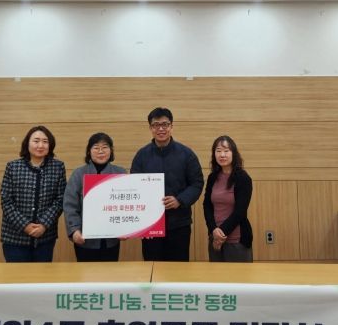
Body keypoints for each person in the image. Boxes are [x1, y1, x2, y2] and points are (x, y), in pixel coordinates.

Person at [131, 107, 204, 261]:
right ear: (150, 128)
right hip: (150, 225)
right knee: (152, 268)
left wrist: (180, 200)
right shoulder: (141, 155)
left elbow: (197, 183)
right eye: (156, 125)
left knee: (178, 270)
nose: (161, 129)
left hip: (179, 223)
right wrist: (142, 223)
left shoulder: (186, 154)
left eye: (165, 124)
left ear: (171, 126)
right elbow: (135, 187)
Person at [0, 125, 66, 262]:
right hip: (14, 237)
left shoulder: (58, 167)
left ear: (50, 145)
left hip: (45, 237)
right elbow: (6, 201)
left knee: (42, 275)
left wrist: (43, 225)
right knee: (16, 275)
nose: (40, 145)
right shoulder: (13, 167)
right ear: (27, 144)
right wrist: (25, 225)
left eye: (45, 141)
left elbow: (60, 200)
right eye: (36, 141)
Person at [63, 133, 127, 262]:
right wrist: (74, 230)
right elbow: (70, 206)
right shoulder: (78, 174)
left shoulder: (120, 173)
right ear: (89, 151)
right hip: (85, 240)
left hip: (111, 240)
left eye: (105, 147)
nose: (101, 151)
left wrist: (125, 229)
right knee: (86, 273)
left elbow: (126, 204)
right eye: (96, 148)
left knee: (110, 273)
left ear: (111, 150)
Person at [203, 135, 253, 262]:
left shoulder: (243, 178)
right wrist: (213, 230)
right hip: (214, 238)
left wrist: (221, 232)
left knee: (239, 275)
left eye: (226, 151)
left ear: (233, 153)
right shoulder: (212, 177)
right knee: (216, 274)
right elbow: (207, 205)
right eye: (218, 151)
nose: (222, 155)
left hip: (237, 240)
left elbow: (240, 211)